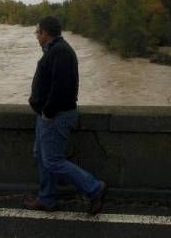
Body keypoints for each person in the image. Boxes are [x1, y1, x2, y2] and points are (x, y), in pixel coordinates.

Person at [24, 16, 107, 214]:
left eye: (38, 33)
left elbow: (61, 87)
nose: (36, 37)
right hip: (49, 114)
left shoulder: (60, 52)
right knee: (42, 156)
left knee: (52, 160)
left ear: (44, 33)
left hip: (55, 116)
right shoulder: (56, 50)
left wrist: (47, 112)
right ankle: (47, 199)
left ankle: (95, 188)